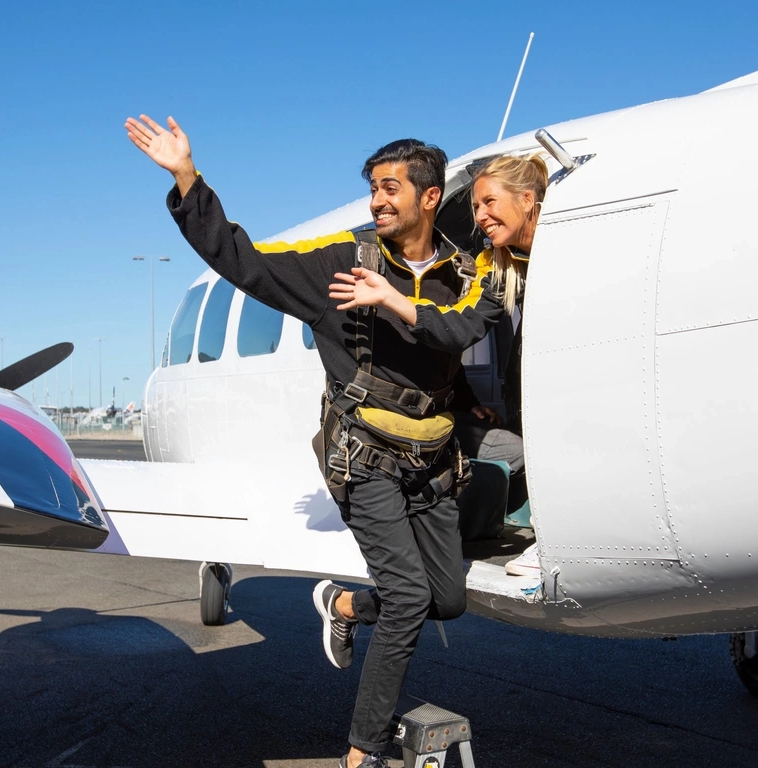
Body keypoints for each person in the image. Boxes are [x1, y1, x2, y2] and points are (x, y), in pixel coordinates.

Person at [124, 114, 505, 768]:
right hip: (366, 460)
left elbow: (459, 333)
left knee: (447, 599)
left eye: (391, 188)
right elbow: (245, 263)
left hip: (434, 465)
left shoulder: (464, 272)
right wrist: (188, 180)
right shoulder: (340, 262)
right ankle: (362, 752)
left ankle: (346, 601)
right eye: (373, 188)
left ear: (430, 197)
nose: (378, 200)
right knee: (411, 599)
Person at [464, 152, 550, 577]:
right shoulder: (502, 263)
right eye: (476, 206)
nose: (481, 215)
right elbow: (467, 322)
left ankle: (553, 543)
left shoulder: (561, 252)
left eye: (489, 203)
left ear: (527, 199)